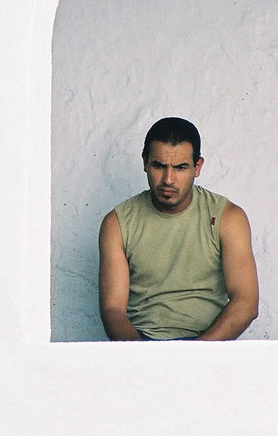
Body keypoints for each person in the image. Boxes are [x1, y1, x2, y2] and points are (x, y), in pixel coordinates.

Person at [99, 118, 258, 341]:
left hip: (208, 344)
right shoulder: (117, 223)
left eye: (181, 167)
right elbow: (112, 310)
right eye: (158, 166)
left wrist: (192, 358)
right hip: (142, 345)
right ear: (145, 162)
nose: (168, 179)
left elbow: (246, 303)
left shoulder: (228, 218)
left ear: (197, 167)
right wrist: (141, 360)